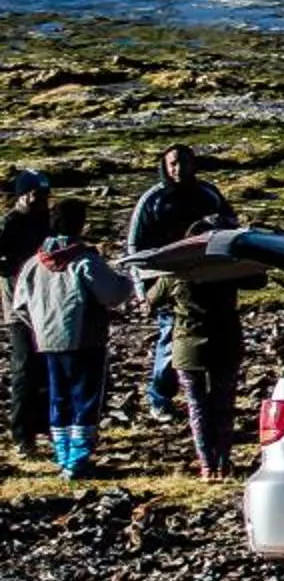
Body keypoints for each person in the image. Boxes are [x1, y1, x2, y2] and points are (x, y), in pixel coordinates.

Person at [13, 202, 130, 479]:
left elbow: (19, 305)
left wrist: (39, 327)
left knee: (58, 397)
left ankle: (63, 455)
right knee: (85, 398)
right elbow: (112, 294)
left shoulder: (34, 263)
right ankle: (78, 459)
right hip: (85, 340)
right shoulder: (84, 260)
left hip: (49, 341)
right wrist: (126, 281)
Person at [126, 146, 232, 422]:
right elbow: (134, 245)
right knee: (169, 340)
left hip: (209, 281)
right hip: (166, 282)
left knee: (208, 338)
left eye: (183, 163)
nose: (178, 169)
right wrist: (142, 290)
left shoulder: (209, 194)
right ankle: (161, 397)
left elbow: (233, 226)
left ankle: (202, 396)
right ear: (164, 166)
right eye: (173, 164)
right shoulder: (153, 200)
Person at [156, 221, 245, 477]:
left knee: (197, 406)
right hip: (226, 343)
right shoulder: (228, 270)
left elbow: (152, 299)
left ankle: (207, 464)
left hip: (187, 347)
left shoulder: (175, 272)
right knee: (224, 404)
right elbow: (258, 280)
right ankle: (224, 462)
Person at [2, 169, 52, 459]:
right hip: (19, 311)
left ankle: (42, 427)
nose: (42, 200)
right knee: (24, 372)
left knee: (45, 369)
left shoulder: (44, 221)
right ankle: (22, 435)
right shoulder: (10, 224)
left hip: (46, 306)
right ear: (23, 194)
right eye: (37, 194)